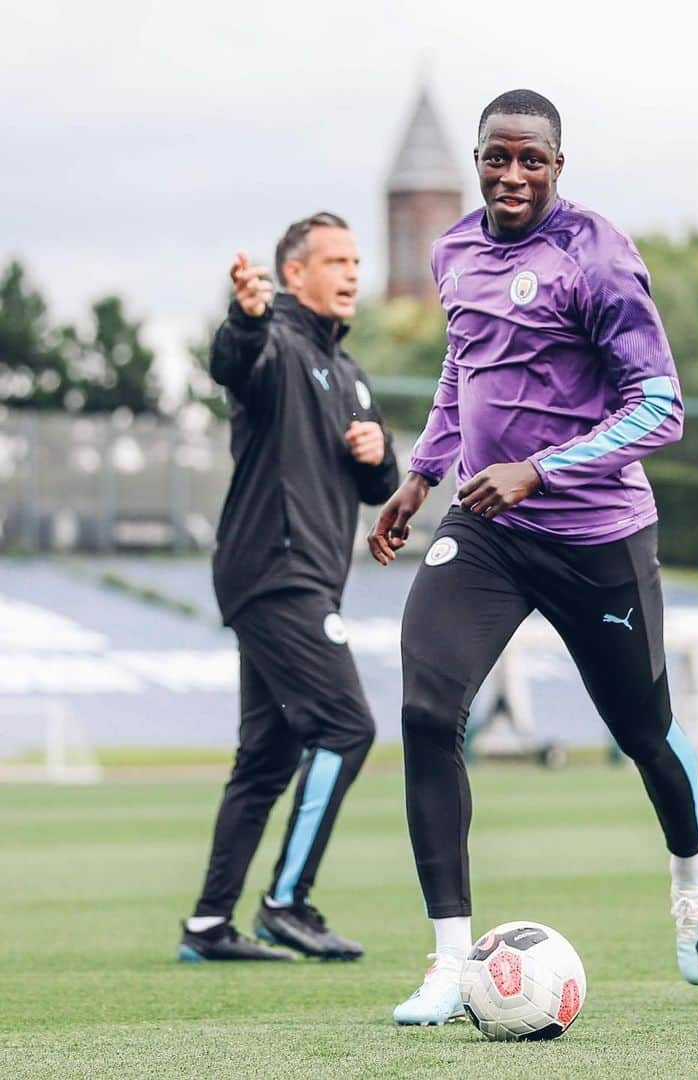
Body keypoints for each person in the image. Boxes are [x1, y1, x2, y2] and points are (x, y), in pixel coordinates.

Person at [368, 90, 698, 1023]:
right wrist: (422, 474)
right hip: (488, 530)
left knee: (644, 731)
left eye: (532, 160)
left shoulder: (598, 257)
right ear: (479, 160)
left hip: (597, 535)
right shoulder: (453, 251)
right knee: (424, 702)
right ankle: (450, 959)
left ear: (559, 165)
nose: (512, 175)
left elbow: (661, 407)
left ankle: (691, 868)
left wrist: (543, 469)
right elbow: (463, 366)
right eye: (497, 157)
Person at [178, 212, 399, 962]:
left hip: (305, 580)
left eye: (357, 260)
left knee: (268, 758)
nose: (351, 272)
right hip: (274, 573)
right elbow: (231, 362)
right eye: (335, 260)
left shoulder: (351, 375)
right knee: (348, 726)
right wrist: (243, 316)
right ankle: (287, 903)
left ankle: (209, 927)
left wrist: (379, 455)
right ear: (294, 273)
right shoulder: (271, 341)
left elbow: (380, 488)